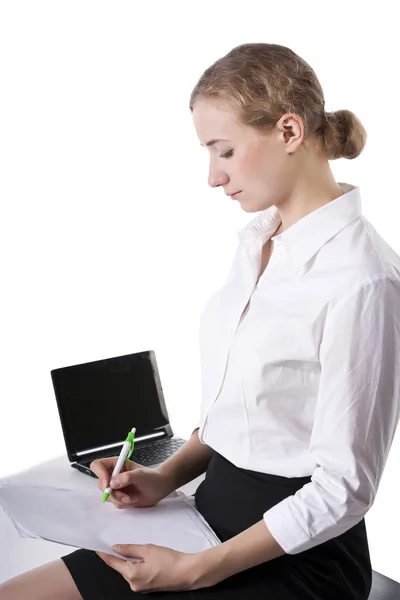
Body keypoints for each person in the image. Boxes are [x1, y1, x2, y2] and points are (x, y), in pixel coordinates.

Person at [1, 42, 400, 600]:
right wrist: (166, 475)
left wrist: (196, 570)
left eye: (225, 151)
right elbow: (241, 410)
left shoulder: (363, 279)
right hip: (204, 519)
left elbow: (345, 490)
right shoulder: (260, 243)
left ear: (289, 133)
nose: (213, 176)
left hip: (295, 559)